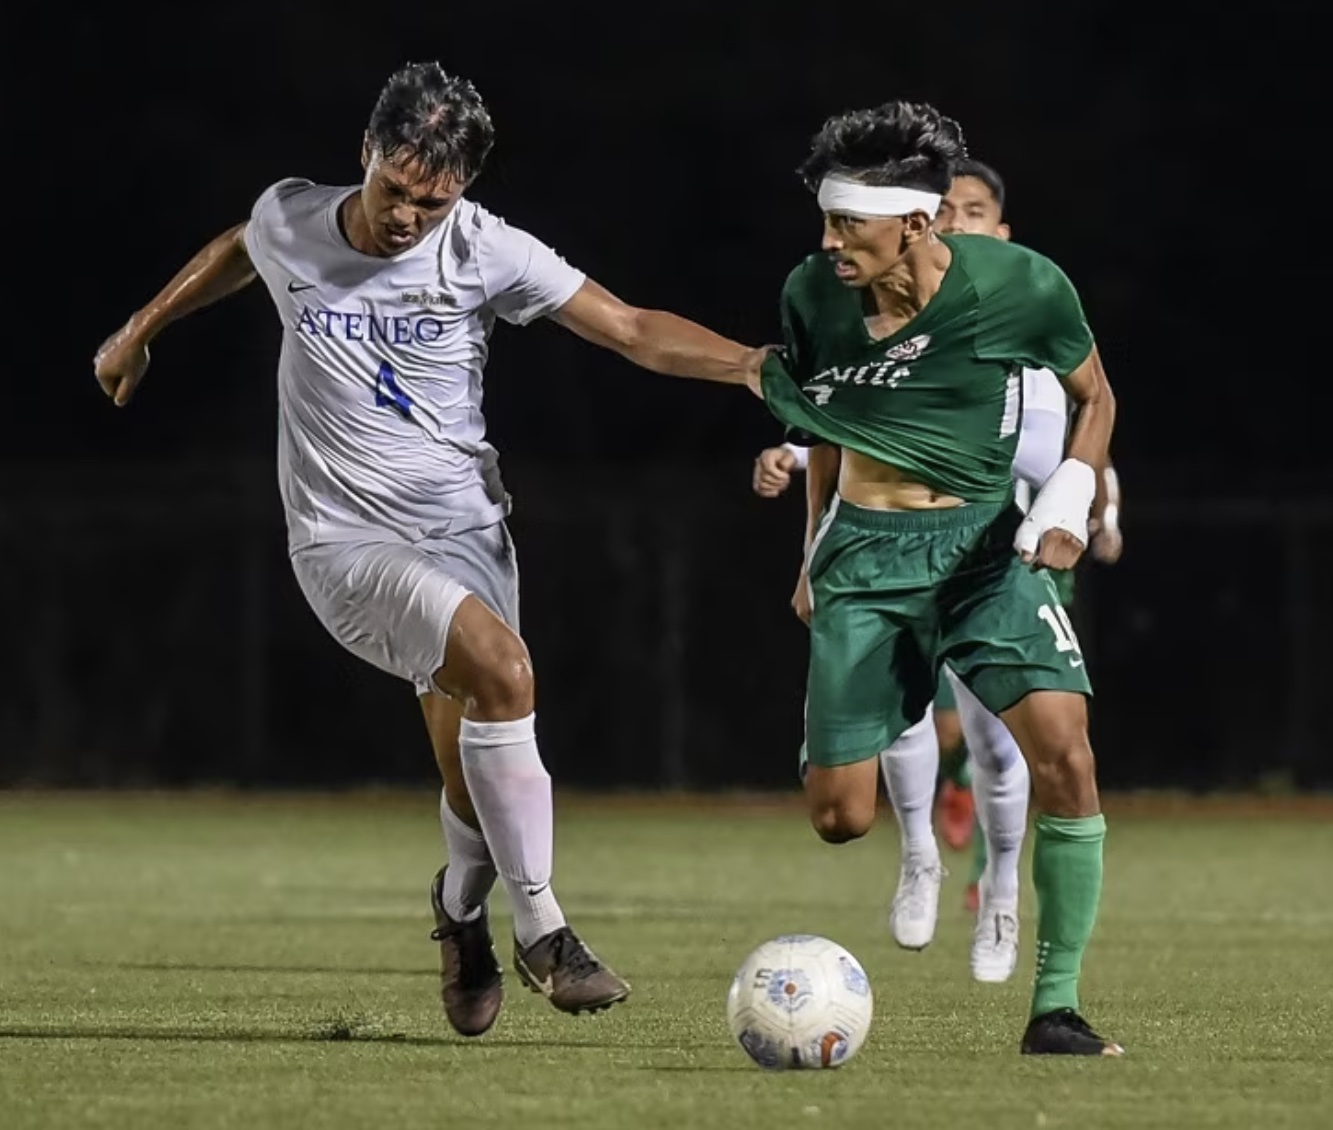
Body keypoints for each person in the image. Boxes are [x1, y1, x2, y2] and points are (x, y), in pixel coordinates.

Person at [94, 61, 765, 1039]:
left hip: (466, 531)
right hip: (343, 540)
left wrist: (747, 364)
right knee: (506, 670)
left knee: (473, 777)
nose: (408, 216)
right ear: (364, 153)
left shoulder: (483, 251)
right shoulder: (293, 218)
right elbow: (244, 245)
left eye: (433, 200)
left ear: (464, 191)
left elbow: (625, 326)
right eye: (395, 190)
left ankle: (459, 911)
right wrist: (138, 330)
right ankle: (545, 932)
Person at [757, 102, 1123, 1055]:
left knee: (1064, 754)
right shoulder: (813, 294)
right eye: (827, 222)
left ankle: (1055, 1006)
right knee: (840, 818)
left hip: (980, 550)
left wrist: (1072, 498)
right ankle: (913, 846)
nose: (828, 242)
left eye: (848, 224)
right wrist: (810, 550)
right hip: (868, 560)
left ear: (915, 224)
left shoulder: (1021, 287)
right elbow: (832, 432)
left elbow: (1096, 395)